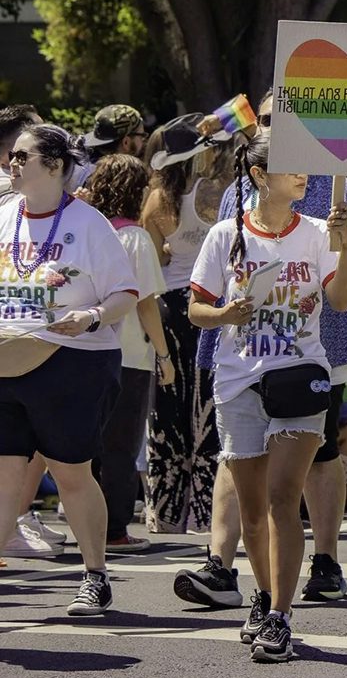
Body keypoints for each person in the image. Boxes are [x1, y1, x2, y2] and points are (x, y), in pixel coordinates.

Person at [175, 92, 347, 609]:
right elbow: (216, 276)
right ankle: (222, 567)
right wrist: (222, 320)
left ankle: (323, 563)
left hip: (316, 351)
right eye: (265, 120)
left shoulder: (343, 194)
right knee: (240, 461)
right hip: (241, 356)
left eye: (279, 121)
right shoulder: (234, 201)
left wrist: (340, 246)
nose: (268, 127)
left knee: (315, 463)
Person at [187, 134, 347, 662]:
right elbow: (197, 310)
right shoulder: (224, 236)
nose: (302, 176)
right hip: (238, 379)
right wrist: (227, 315)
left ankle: (281, 617)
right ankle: (261, 596)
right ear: (260, 176)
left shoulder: (315, 233)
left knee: (286, 496)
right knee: (254, 508)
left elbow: (342, 299)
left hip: (302, 373)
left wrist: (345, 245)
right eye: (291, 169)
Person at [0, 124, 141, 614]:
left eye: (23, 156)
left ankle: (95, 574)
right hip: (6, 359)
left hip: (73, 362)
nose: (12, 163)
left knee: (69, 471)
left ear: (56, 166)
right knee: (5, 472)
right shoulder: (2, 215)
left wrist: (93, 316)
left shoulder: (89, 222)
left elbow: (126, 292)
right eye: (11, 156)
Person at [138, 114, 231, 533]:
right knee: (209, 406)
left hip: (170, 308)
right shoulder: (212, 193)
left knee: (169, 407)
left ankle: (167, 509)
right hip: (207, 303)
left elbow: (155, 258)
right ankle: (206, 510)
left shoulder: (157, 201)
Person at [74, 154, 171, 552]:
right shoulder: (135, 238)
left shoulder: (86, 232)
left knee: (88, 446)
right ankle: (114, 530)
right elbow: (145, 304)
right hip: (129, 354)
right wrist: (164, 356)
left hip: (81, 351)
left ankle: (88, 530)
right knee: (121, 447)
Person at [81, 104, 146, 164]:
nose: (144, 141)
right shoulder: (128, 175)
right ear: (126, 142)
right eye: (142, 136)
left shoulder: (81, 167)